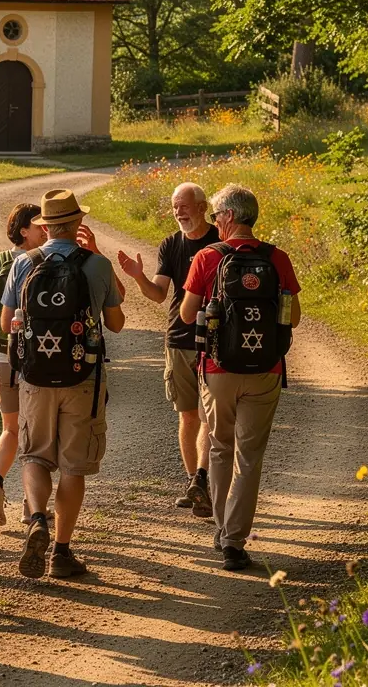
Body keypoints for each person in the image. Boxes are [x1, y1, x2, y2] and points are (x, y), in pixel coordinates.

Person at [0, 189, 125, 579]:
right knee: (73, 466)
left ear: (45, 226)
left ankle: (38, 518)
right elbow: (116, 323)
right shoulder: (97, 265)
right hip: (82, 375)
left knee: (35, 456)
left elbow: (5, 324)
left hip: (35, 376)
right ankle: (61, 552)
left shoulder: (23, 263)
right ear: (78, 223)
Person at [180, 184, 301, 572]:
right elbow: (294, 316)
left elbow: (186, 315)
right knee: (249, 457)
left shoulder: (208, 257)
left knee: (220, 448)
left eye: (216, 215)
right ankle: (234, 541)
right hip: (266, 370)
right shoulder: (277, 258)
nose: (215, 222)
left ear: (229, 216)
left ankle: (222, 530)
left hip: (218, 371)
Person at [117, 182, 219, 517]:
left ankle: (203, 481)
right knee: (188, 415)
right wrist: (138, 277)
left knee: (208, 415)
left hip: (216, 341)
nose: (179, 212)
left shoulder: (220, 241)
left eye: (184, 206)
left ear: (202, 207)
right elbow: (159, 294)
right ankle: (194, 484)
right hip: (179, 339)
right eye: (175, 207)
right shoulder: (171, 244)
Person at [0, 203, 46, 526]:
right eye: (38, 225)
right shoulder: (42, 260)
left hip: (1, 354)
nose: (44, 230)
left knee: (9, 428)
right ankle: (30, 505)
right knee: (34, 432)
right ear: (23, 230)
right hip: (33, 356)